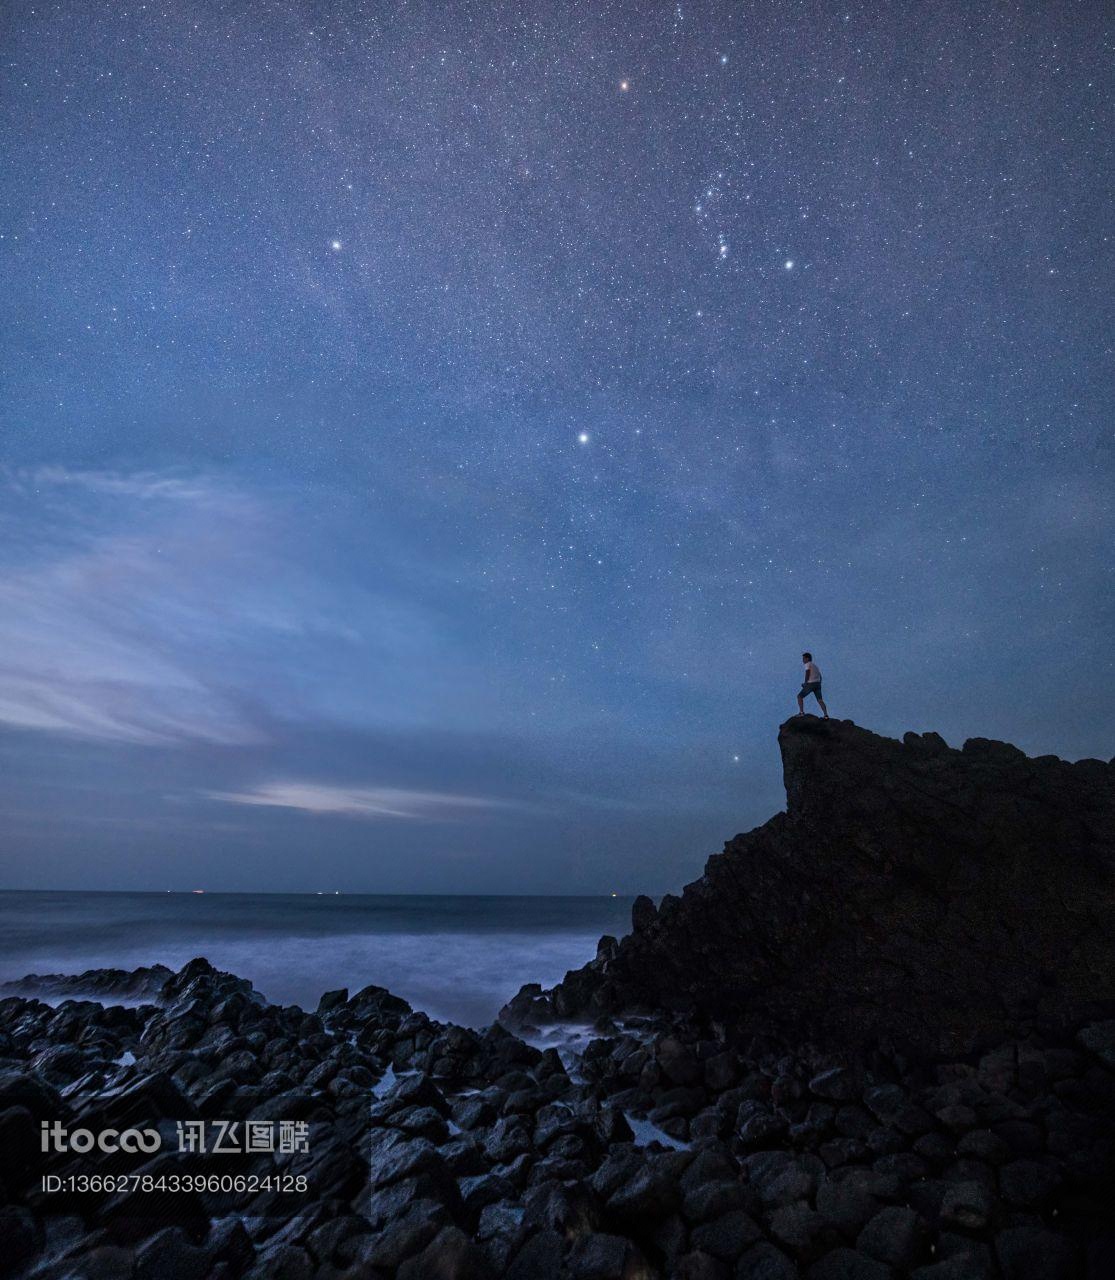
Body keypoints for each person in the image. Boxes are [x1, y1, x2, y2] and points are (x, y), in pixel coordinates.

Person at [797, 652, 829, 719]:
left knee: (799, 696)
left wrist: (805, 683)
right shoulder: (815, 666)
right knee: (820, 700)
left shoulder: (807, 664)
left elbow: (807, 673)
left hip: (811, 684)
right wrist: (819, 683)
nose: (803, 660)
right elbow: (820, 676)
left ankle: (801, 712)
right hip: (818, 684)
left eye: (804, 658)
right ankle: (826, 715)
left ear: (807, 658)